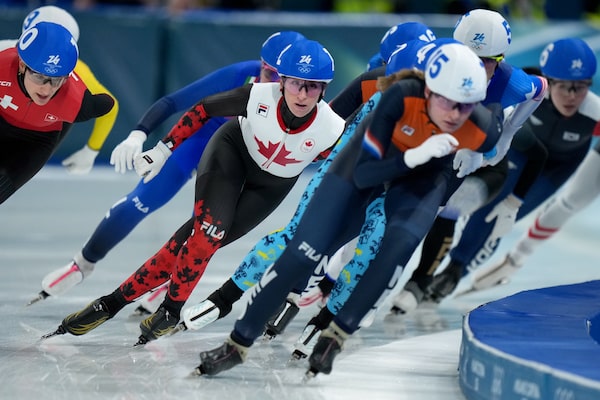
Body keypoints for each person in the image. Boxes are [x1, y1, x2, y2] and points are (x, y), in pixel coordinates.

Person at [193, 41, 500, 377]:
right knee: (303, 253)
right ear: (427, 90)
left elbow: (501, 156)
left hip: (420, 181)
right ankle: (237, 343)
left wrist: (478, 168)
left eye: (465, 106)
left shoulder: (482, 126)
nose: (455, 115)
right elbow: (366, 174)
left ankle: (335, 336)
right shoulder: (399, 98)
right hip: (366, 168)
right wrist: (415, 155)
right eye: (447, 102)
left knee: (393, 250)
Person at [42, 38, 346, 347]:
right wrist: (163, 149)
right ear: (282, 82)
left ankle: (111, 303)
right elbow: (202, 108)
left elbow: (343, 177)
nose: (302, 94)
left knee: (193, 243)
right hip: (231, 154)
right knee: (208, 234)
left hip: (271, 186)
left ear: (324, 90)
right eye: (295, 84)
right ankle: (170, 310)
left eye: (312, 87)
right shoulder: (256, 96)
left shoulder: (332, 129)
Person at [170, 35, 442, 339]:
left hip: (392, 188)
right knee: (301, 239)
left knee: (366, 253)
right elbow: (332, 126)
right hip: (350, 173)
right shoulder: (373, 87)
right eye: (397, 88)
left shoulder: (453, 115)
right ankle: (227, 298)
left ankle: (323, 317)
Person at [388, 8, 548, 314]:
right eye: (469, 56)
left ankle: (420, 282)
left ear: (500, 60)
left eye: (487, 61)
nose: (477, 67)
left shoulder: (512, 84)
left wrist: (507, 136)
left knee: (447, 208)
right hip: (440, 151)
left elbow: (540, 88)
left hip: (484, 166)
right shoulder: (430, 65)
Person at [435, 39, 600, 297]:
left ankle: (454, 273)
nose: (572, 96)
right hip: (522, 153)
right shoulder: (529, 89)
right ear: (549, 81)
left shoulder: (594, 111)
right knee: (490, 206)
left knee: (504, 217)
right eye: (565, 86)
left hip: (556, 168)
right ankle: (451, 267)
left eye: (581, 87)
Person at [0, 21, 115, 205]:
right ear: (22, 65)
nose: (46, 89)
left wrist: (92, 150)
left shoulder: (76, 101)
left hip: (35, 142)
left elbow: (110, 105)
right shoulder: (2, 66)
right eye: (39, 77)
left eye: (56, 80)